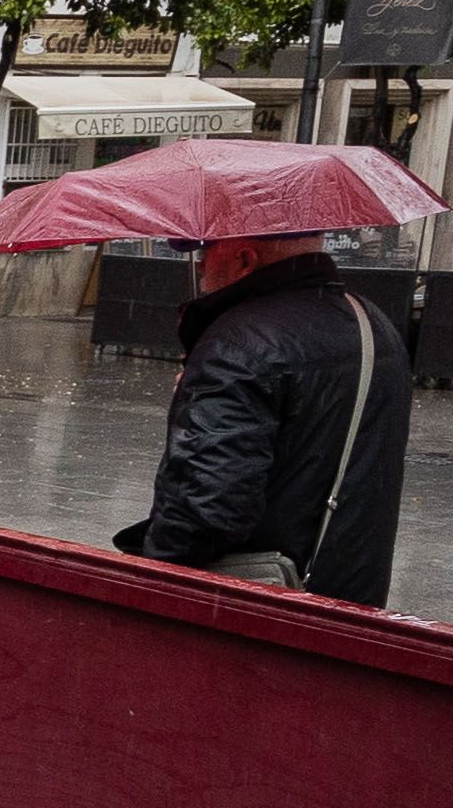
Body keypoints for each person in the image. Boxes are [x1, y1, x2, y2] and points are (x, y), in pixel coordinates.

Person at [114, 232, 414, 605]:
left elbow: (204, 507)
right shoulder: (373, 325)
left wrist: (151, 589)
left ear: (244, 259)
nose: (201, 262)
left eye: (207, 248)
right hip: (350, 597)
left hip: (254, 609)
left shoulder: (238, 346)